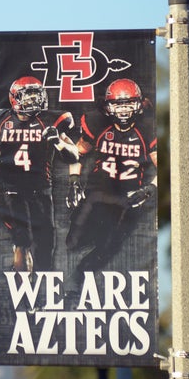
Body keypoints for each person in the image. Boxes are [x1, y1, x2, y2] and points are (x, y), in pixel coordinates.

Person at [65, 78, 157, 275]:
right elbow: (76, 153)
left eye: (129, 104)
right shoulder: (99, 123)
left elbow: (164, 165)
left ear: (139, 104)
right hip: (97, 193)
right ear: (108, 107)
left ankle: (80, 276)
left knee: (109, 246)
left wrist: (150, 188)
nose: (123, 111)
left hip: (128, 197)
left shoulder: (147, 129)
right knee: (73, 243)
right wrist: (74, 181)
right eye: (117, 104)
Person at [0, 76, 79, 273]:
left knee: (46, 241)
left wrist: (57, 141)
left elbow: (74, 155)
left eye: (36, 96)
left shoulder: (50, 120)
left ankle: (44, 285)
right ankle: (22, 285)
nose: (33, 101)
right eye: (28, 97)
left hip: (40, 188)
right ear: (15, 98)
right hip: (10, 189)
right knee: (21, 239)